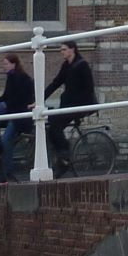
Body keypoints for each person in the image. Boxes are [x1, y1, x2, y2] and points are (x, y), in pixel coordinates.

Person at [43, 42, 98, 174]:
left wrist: (76, 103)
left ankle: (65, 154)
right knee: (52, 124)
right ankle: (62, 157)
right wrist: (39, 99)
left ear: (72, 50)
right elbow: (56, 82)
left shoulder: (82, 65)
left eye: (64, 49)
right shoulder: (66, 65)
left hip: (81, 105)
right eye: (61, 49)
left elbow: (89, 88)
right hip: (68, 105)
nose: (62, 52)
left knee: (55, 125)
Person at [0, 53, 34, 181]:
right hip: (9, 112)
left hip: (19, 115)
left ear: (14, 64)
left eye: (6, 64)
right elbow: (6, 96)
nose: (4, 66)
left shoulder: (23, 78)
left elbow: (22, 100)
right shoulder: (11, 77)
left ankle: (8, 173)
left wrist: (6, 104)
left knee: (7, 139)